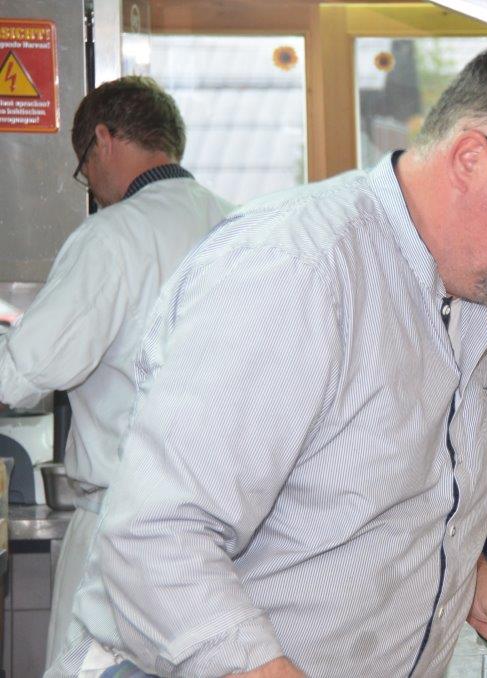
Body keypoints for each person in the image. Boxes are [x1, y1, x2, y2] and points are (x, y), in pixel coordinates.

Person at [48, 41, 487, 678]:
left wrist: (472, 584)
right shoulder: (297, 270)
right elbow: (158, 538)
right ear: (471, 159)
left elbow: (376, 498)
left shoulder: (468, 287)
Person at [0, 75, 234, 668]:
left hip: (126, 533)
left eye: (84, 167)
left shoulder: (112, 235)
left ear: (103, 139)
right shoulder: (239, 227)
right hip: (230, 537)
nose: (92, 185)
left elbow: (23, 373)